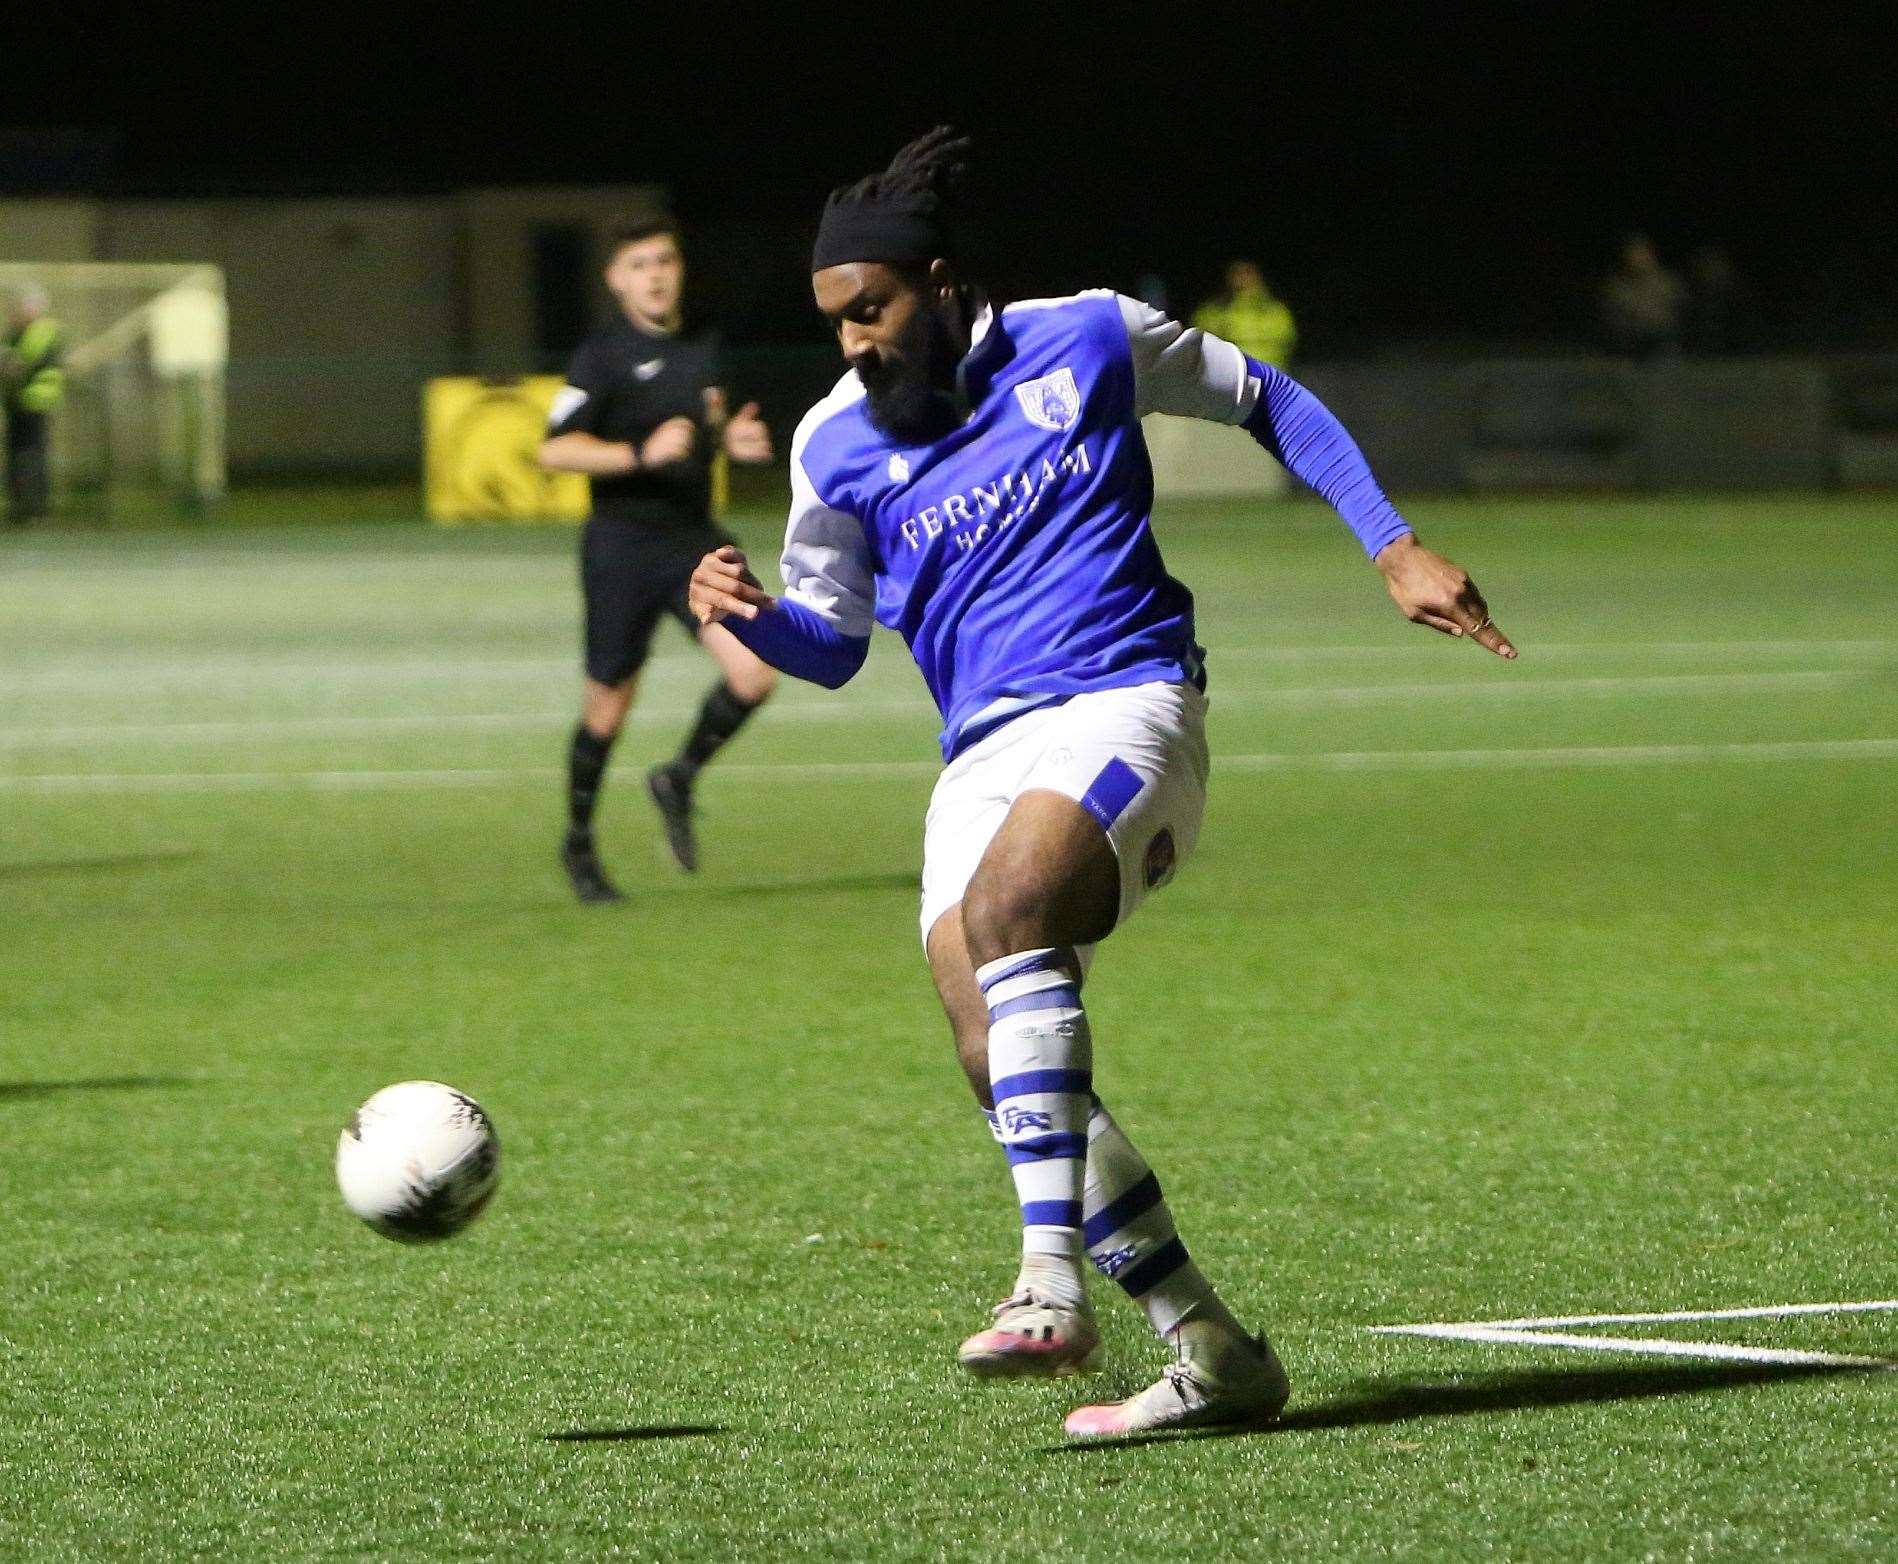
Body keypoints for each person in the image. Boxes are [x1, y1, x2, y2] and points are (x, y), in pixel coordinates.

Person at [689, 129, 1516, 1437]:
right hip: (980, 756)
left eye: (870, 309)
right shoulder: (833, 446)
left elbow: (1266, 399)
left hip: (1128, 703)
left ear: (939, 282)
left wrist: (1391, 544)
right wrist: (746, 616)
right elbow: (836, 648)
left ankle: (1044, 1284)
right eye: (833, 320)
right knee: (985, 1043)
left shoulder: (1083, 335)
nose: (850, 340)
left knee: (1011, 916)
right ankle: (1209, 1346)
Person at [539, 217, 777, 901]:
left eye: (665, 260)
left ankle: (678, 776)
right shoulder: (602, 356)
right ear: (617, 279)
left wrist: (728, 438)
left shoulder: (704, 347)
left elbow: (701, 432)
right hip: (620, 547)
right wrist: (637, 455)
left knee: (756, 673)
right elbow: (553, 449)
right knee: (607, 711)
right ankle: (579, 842)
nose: (656, 274)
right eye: (639, 263)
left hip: (693, 541)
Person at [3, 284, 65, 524]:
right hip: (18, 402)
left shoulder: (41, 332)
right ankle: (23, 507)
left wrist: (11, 364)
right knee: (21, 455)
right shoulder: (19, 332)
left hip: (33, 402)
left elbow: (21, 364)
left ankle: (34, 508)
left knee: (31, 457)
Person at [1191, 260, 1297, 369]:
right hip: (1230, 376)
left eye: (1247, 274)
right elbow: (1199, 344)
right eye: (1237, 274)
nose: (1242, 280)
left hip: (1271, 373)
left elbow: (1288, 342)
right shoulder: (1211, 313)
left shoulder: (1277, 312)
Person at [1600, 234, 1684, 359]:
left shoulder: (1667, 283)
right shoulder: (1616, 286)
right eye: (1633, 253)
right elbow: (1613, 317)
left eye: (1642, 253)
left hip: (1662, 344)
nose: (1638, 258)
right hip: (1627, 346)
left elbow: (1675, 314)